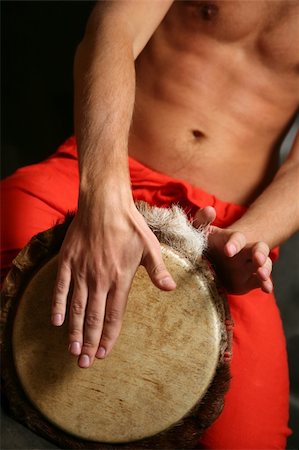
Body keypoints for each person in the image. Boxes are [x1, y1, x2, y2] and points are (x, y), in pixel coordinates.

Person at [1, 1, 299, 448]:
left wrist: (243, 243)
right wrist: (103, 196)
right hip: (101, 169)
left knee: (251, 439)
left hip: (227, 226)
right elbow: (112, 29)